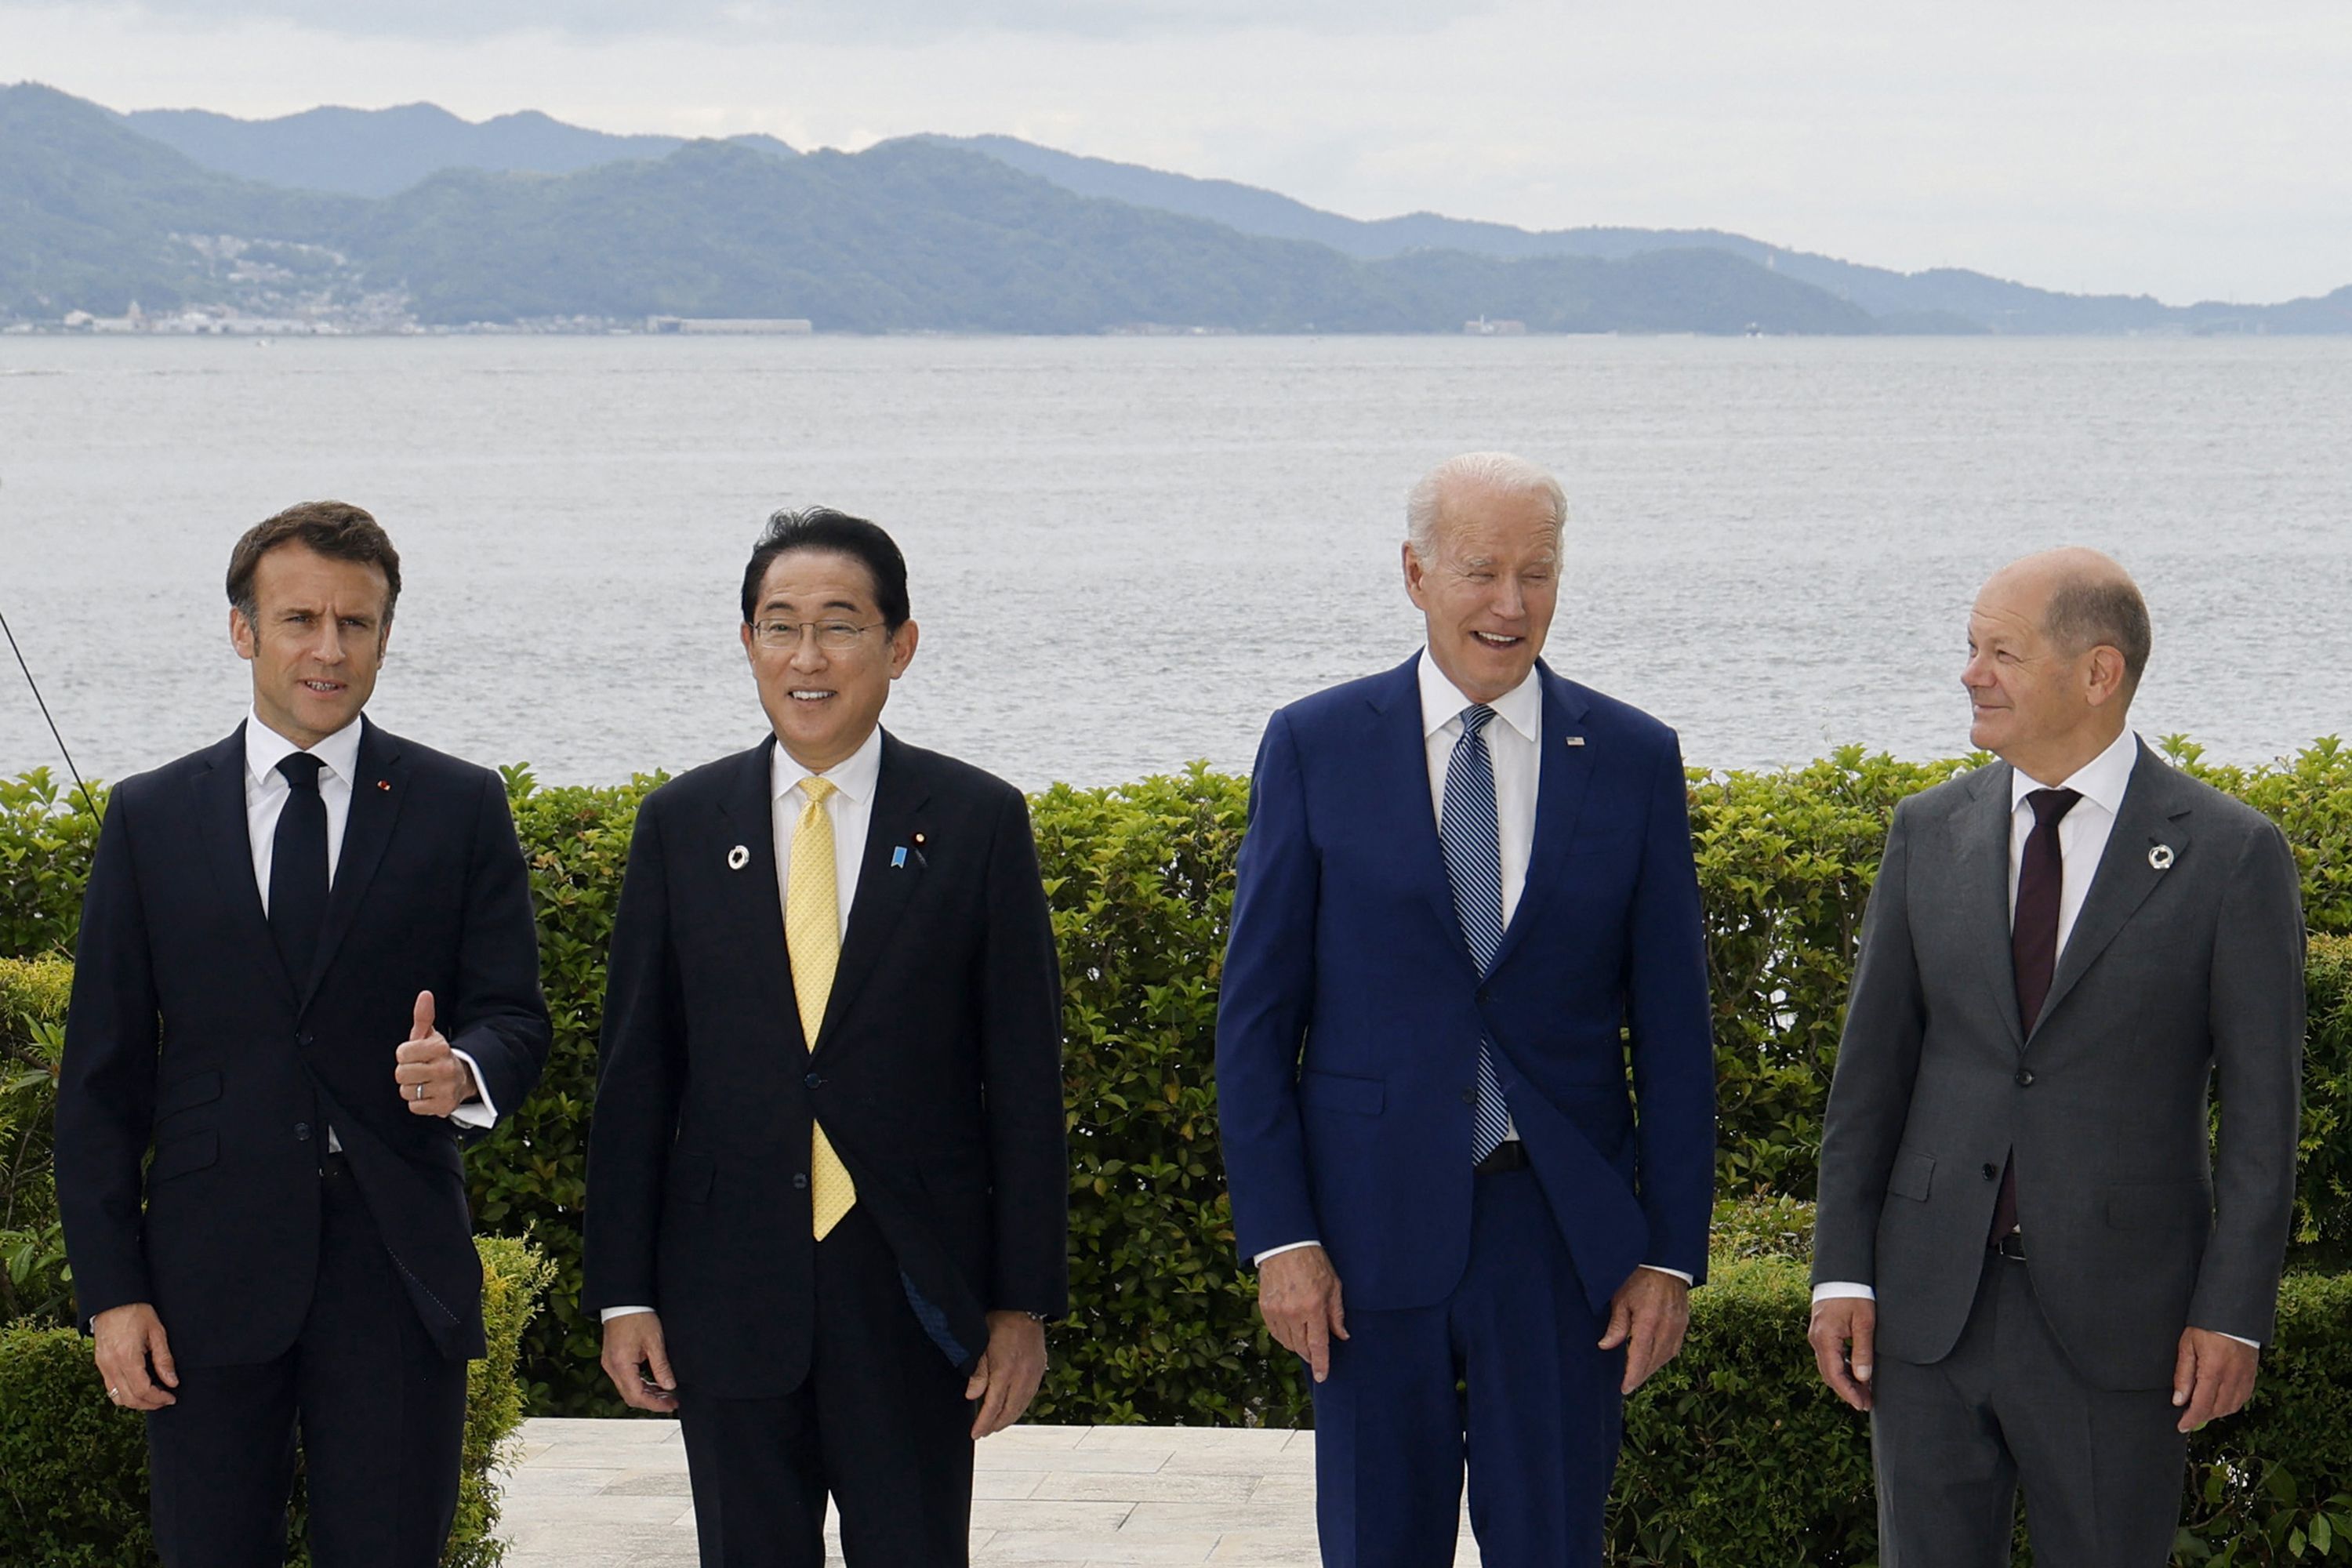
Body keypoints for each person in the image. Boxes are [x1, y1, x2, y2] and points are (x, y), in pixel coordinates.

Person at [1214, 452, 1716, 1566]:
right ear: (1415, 574)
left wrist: (1672, 1255)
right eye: (1481, 571)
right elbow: (1255, 1022)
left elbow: (1677, 1036)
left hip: (1559, 1238)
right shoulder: (1314, 745)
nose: (1511, 603)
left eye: (1537, 573)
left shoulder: (1632, 758)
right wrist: (1282, 1239)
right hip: (1360, 1235)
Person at [53, 500, 552, 1566]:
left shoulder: (460, 807)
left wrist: (461, 1070)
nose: (329, 649)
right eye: (299, 620)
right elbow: (100, 1082)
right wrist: (114, 1295)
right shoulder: (150, 820)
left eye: (356, 623)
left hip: (395, 1264)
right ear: (244, 631)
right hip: (202, 1277)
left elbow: (514, 1013)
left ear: (384, 634)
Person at [585, 506, 1067, 1567]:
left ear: (899, 643)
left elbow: (1025, 1084)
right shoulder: (682, 824)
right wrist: (625, 1293)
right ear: (748, 642)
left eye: (840, 625)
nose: (807, 657)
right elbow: (638, 1078)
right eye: (779, 625)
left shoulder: (979, 822)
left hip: (912, 1296)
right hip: (727, 1295)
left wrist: (1022, 1303)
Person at [1809, 547, 2306, 1565]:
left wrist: (2234, 1315)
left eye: (2002, 652)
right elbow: (1869, 1082)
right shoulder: (1925, 832)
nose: (1970, 674)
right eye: (1971, 648)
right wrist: (1839, 1277)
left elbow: (2265, 1119)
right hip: (1928, 1312)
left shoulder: (2228, 853)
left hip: (2120, 1326)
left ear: (2097, 673)